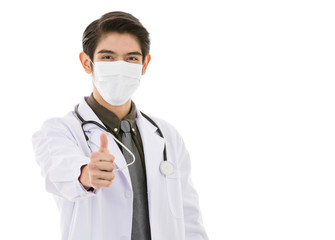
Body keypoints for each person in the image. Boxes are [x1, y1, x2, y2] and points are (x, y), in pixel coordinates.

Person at [32, 11, 208, 240]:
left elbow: (188, 217)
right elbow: (61, 170)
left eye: (131, 59)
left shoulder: (167, 135)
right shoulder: (59, 131)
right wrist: (86, 174)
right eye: (107, 57)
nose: (120, 66)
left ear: (144, 65)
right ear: (87, 63)